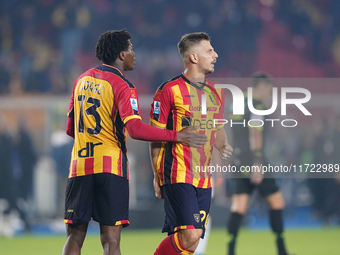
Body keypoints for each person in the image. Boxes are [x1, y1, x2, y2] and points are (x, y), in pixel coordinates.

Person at [62, 29, 208, 255]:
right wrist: (177, 135)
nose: (134, 54)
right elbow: (135, 129)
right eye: (131, 49)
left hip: (79, 167)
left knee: (75, 236)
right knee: (111, 239)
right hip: (110, 167)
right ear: (121, 55)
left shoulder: (81, 80)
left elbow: (70, 129)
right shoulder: (123, 86)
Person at [150, 32, 233, 255]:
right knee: (191, 234)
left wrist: (222, 145)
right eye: (209, 50)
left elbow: (217, 128)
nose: (215, 55)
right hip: (178, 174)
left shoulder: (216, 92)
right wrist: (158, 175)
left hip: (205, 178)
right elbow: (156, 136)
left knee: (192, 243)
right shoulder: (168, 90)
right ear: (194, 57)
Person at [226, 72, 292, 255]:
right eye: (269, 90)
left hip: (238, 160)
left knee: (238, 206)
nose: (269, 95)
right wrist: (257, 162)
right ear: (261, 87)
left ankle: (230, 250)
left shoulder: (236, 103)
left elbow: (232, 131)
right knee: (277, 203)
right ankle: (282, 251)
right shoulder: (257, 105)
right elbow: (255, 132)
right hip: (255, 161)